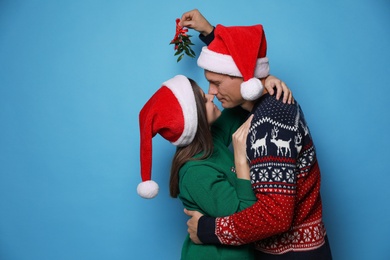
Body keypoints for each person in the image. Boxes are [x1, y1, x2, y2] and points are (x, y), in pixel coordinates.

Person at [179, 9, 333, 259]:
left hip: (291, 254)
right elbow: (241, 59)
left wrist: (208, 229)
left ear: (245, 80)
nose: (212, 92)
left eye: (216, 82)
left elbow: (275, 217)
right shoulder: (260, 104)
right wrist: (209, 32)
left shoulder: (270, 124)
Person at [137, 75, 293, 259]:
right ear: (194, 116)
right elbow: (247, 217)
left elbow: (238, 107)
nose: (211, 96)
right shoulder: (196, 173)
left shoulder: (212, 140)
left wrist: (263, 81)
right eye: (204, 99)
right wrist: (241, 160)